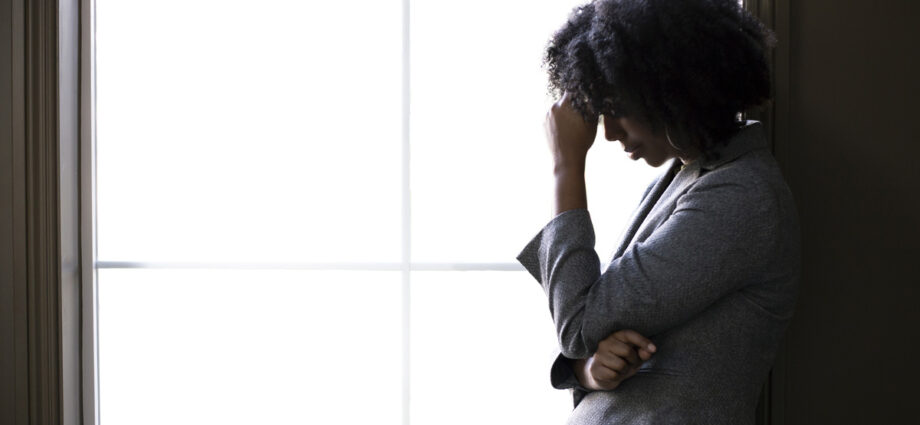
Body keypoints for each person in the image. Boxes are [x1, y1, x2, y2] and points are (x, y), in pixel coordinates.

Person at [516, 0, 800, 423]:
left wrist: (567, 166)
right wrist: (590, 372)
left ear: (674, 92)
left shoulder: (740, 196)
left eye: (617, 109)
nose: (608, 133)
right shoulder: (688, 176)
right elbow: (591, 335)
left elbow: (578, 325)